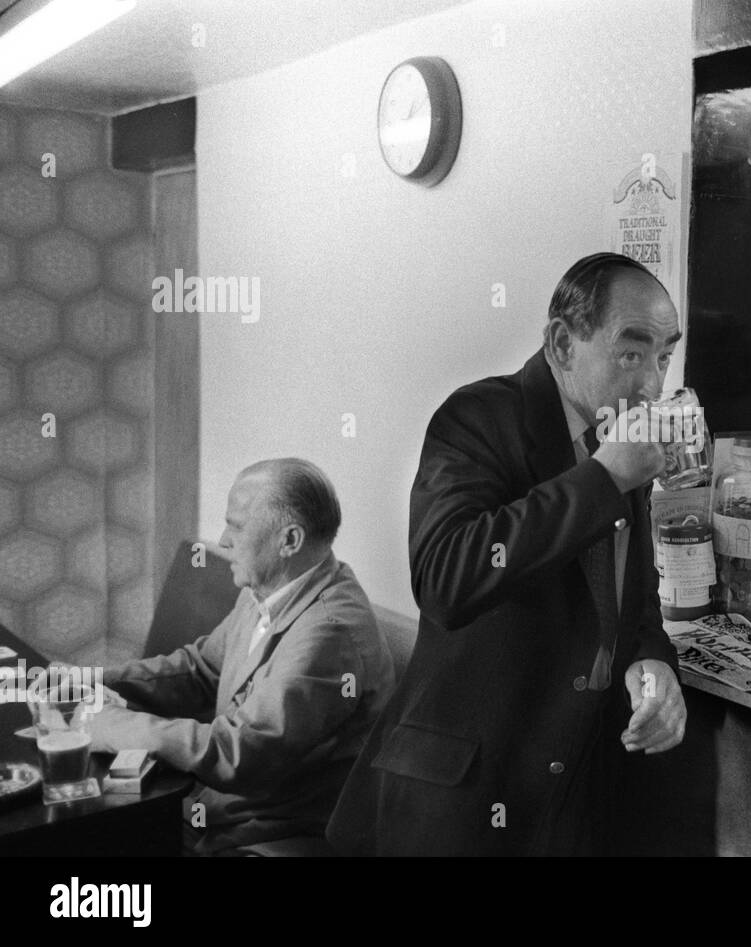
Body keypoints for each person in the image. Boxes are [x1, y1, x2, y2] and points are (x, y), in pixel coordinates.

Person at [327, 252, 687, 856]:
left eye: (664, 356)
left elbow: (634, 603)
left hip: (567, 795)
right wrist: (601, 479)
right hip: (454, 799)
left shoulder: (621, 441)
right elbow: (447, 580)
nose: (653, 384)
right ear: (562, 343)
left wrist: (652, 665)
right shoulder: (478, 417)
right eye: (631, 353)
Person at [87, 458, 395, 854]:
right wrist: (93, 682)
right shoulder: (269, 588)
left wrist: (111, 726)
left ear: (289, 541)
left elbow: (240, 752)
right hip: (216, 813)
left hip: (272, 838)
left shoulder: (330, 633)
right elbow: (200, 671)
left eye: (236, 526)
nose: (223, 540)